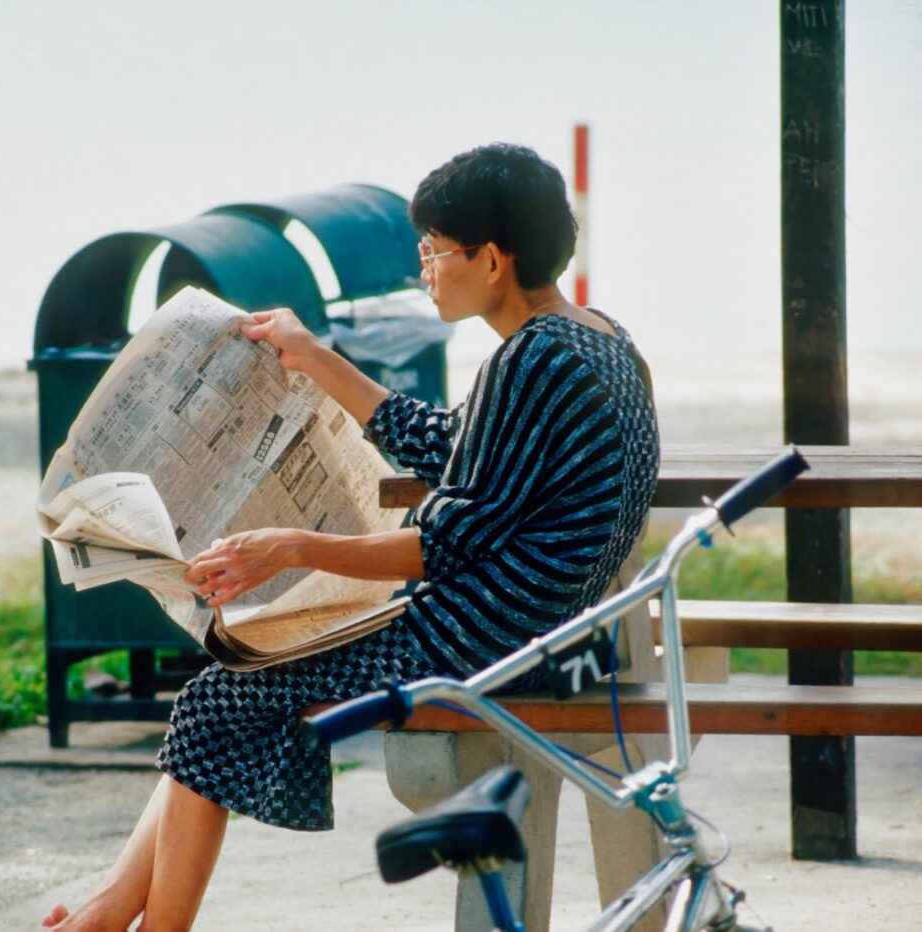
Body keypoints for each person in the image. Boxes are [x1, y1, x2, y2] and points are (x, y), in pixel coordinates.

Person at [42, 143, 660, 931]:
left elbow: (447, 543)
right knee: (222, 695)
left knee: (220, 694)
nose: (424, 268)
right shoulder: (595, 337)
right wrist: (313, 359)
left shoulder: (532, 362)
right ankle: (109, 913)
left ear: (493, 260)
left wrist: (294, 547)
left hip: (484, 638)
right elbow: (448, 445)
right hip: (534, 622)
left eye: (434, 251)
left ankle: (135, 921)